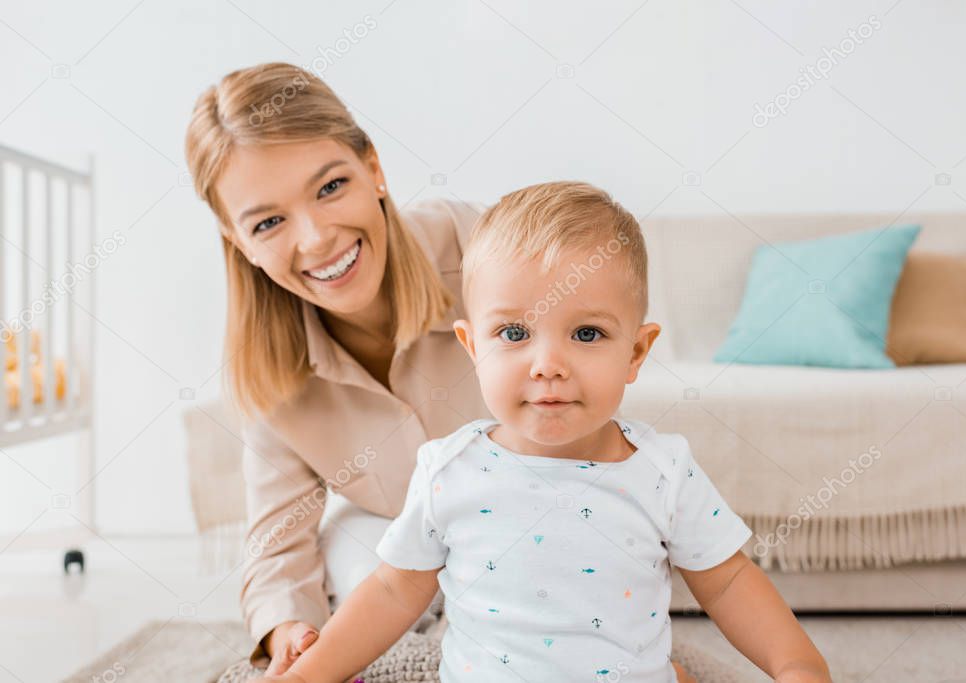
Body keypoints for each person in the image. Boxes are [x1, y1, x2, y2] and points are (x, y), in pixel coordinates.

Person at [184, 64, 698, 681]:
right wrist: (287, 629)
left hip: (547, 511)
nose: (317, 239)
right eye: (269, 222)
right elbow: (279, 537)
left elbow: (591, 353)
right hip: (403, 543)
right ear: (235, 238)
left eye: (329, 187)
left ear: (374, 168)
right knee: (354, 551)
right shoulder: (267, 368)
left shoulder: (480, 251)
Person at [251, 181, 832, 682]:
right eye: (513, 334)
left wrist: (796, 666)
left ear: (636, 352)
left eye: (586, 335)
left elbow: (728, 581)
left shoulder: (662, 472)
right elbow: (392, 591)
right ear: (472, 347)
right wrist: (310, 671)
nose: (547, 364)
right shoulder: (449, 469)